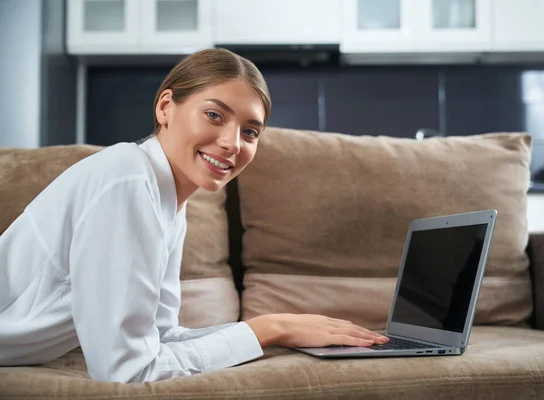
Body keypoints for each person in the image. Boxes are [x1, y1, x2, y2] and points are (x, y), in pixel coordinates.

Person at [0, 48, 388, 383]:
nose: (232, 143)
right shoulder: (127, 179)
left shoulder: (168, 198)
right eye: (215, 116)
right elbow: (128, 371)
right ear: (166, 107)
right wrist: (269, 328)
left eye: (250, 132)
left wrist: (280, 328)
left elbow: (159, 336)